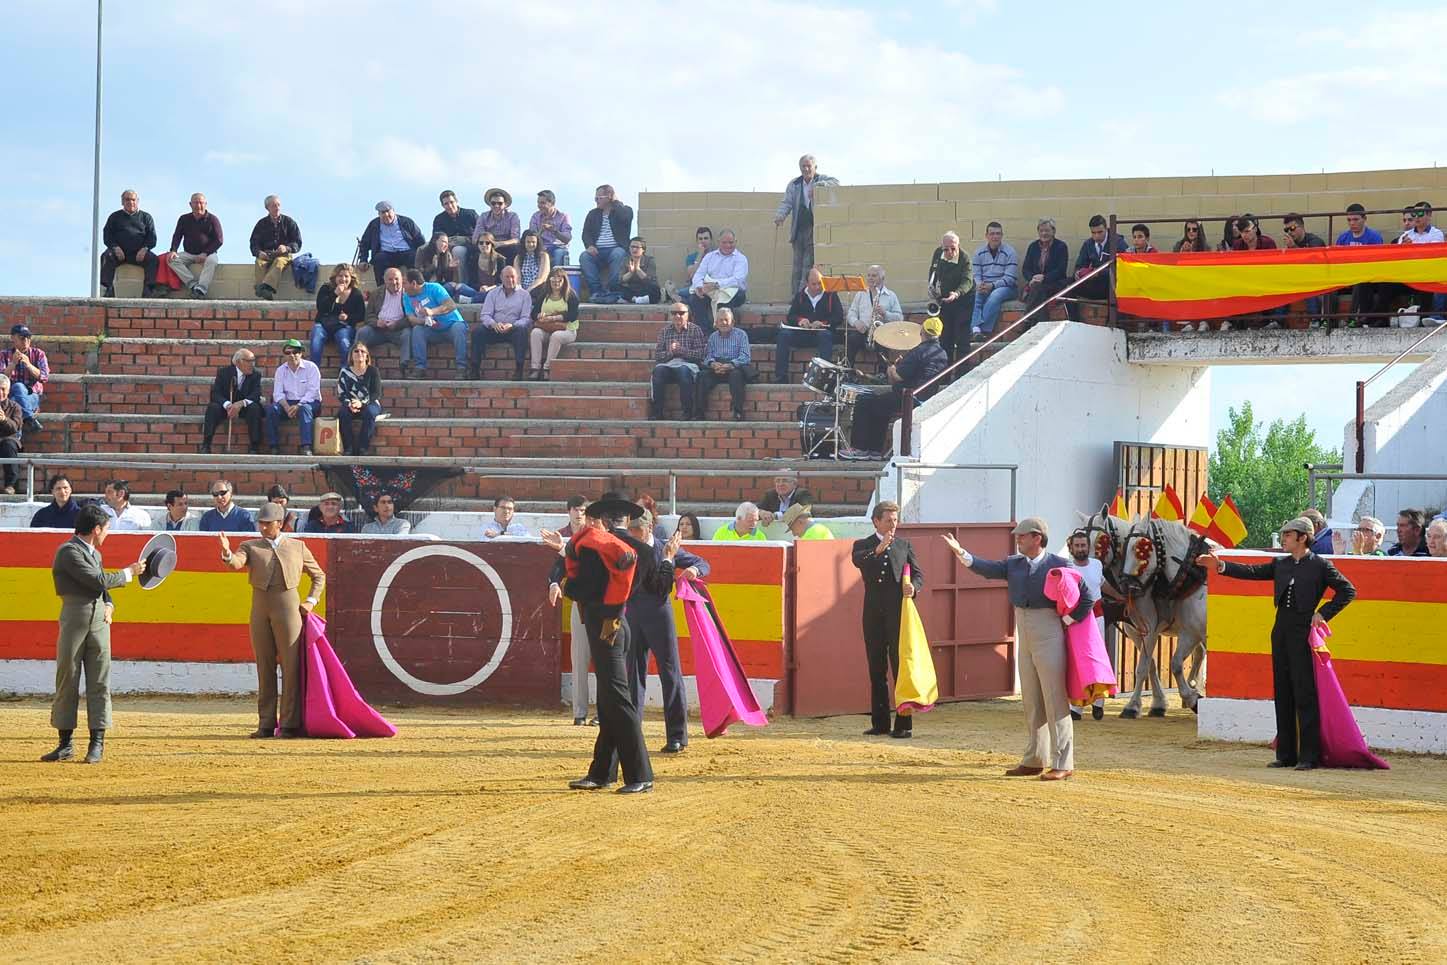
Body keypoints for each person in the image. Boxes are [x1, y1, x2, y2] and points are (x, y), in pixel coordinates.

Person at [1197, 517, 1355, 770]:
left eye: (1288, 535)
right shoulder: (1281, 564)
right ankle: (1286, 754)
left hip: (1304, 632)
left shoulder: (1321, 566)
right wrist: (1221, 566)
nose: (1283, 539)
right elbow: (1252, 572)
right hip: (1280, 630)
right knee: (1283, 691)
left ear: (1303, 537)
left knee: (1304, 694)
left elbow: (1348, 590)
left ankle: (1309, 756)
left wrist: (1324, 613)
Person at [944, 517, 1093, 780]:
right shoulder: (1014, 564)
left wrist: (1067, 620)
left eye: (1022, 536)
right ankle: (1034, 759)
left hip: (1049, 631)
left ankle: (1063, 762)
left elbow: (1086, 598)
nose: (1017, 540)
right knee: (1033, 699)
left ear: (1037, 538)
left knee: (1054, 697)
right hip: (1023, 628)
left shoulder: (1059, 565)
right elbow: (987, 568)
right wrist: (961, 553)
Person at [558, 494, 653, 793]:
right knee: (610, 700)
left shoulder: (593, 549)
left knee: (618, 699)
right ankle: (602, 772)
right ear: (627, 519)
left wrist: (566, 584)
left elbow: (585, 587)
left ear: (600, 520)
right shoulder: (644, 551)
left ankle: (640, 775)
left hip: (604, 624)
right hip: (620, 623)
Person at [39, 504, 147, 764]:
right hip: (75, 619)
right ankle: (65, 745)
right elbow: (96, 582)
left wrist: (109, 604)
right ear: (96, 529)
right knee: (69, 678)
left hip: (98, 619)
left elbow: (101, 589)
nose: (108, 533)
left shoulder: (93, 554)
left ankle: (96, 744)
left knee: (99, 680)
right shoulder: (68, 552)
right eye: (107, 528)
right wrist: (128, 572)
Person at [218, 502, 325, 738]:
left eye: (268, 523)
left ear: (280, 523)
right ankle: (265, 724)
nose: (263, 528)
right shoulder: (250, 546)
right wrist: (227, 553)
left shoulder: (297, 547)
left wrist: (310, 601)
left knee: (291, 667)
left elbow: (319, 576)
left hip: (289, 608)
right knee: (264, 667)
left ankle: (289, 724)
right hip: (260, 609)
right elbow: (237, 562)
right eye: (261, 523)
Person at [625, 510, 708, 754]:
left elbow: (702, 562)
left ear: (649, 528)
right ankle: (632, 734)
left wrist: (694, 571)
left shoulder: (664, 547)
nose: (632, 535)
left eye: (636, 531)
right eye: (630, 530)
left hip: (659, 617)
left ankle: (677, 736)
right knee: (633, 675)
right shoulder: (628, 547)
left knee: (670, 673)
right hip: (632, 616)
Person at [851, 501, 922, 738]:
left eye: (895, 519)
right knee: (876, 668)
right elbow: (859, 561)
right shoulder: (863, 545)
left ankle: (904, 724)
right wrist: (878, 549)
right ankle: (880, 723)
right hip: (873, 615)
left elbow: (918, 574)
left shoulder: (904, 545)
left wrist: (914, 587)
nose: (893, 524)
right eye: (889, 520)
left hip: (897, 613)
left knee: (901, 666)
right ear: (876, 521)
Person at [840, 315, 948, 460]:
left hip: (908, 397)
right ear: (938, 334)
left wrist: (891, 369)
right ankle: (875, 451)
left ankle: (860, 449)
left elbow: (897, 377)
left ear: (922, 332)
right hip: (926, 398)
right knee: (880, 406)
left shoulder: (918, 351)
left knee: (864, 401)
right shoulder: (942, 353)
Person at [545, 496, 594, 725]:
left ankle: (602, 713)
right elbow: (558, 567)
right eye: (576, 510)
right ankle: (580, 713)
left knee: (607, 660)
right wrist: (554, 583)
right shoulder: (565, 535)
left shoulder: (596, 537)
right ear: (569, 511)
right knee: (580, 657)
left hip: (602, 603)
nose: (580, 514)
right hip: (581, 603)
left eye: (583, 511)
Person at [774, 154, 838, 294]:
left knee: (807, 265)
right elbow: (787, 203)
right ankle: (795, 297)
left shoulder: (821, 179)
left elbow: (836, 182)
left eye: (809, 166)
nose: (806, 169)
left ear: (815, 167)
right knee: (797, 267)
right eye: (803, 166)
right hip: (798, 230)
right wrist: (780, 216)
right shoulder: (795, 184)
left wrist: (818, 186)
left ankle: (802, 295)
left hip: (813, 230)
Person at [1066, 529, 1109, 721]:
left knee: (1098, 659)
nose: (1081, 548)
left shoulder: (1097, 564)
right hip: (1076, 619)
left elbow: (1102, 584)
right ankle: (1076, 707)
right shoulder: (1066, 567)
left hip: (1097, 617)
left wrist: (1124, 598)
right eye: (1077, 545)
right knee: (1077, 661)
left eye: (1084, 545)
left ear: (1088, 547)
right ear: (1071, 547)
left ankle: (1099, 703)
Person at [778, 268, 843, 382]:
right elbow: (791, 316)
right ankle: (781, 376)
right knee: (783, 335)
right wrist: (800, 320)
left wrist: (823, 323)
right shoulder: (800, 296)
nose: (817, 287)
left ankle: (823, 378)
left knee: (826, 336)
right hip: (802, 333)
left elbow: (838, 317)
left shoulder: (831, 295)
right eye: (814, 284)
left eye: (820, 283)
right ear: (807, 283)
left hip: (821, 334)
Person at [403, 268, 468, 380]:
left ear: (413, 283)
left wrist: (432, 312)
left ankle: (462, 369)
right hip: (432, 330)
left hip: (451, 325)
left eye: (405, 283)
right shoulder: (406, 296)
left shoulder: (434, 288)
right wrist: (424, 321)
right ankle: (420, 368)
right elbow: (411, 318)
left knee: (458, 328)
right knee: (417, 330)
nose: (402, 286)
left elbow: (451, 305)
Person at [471, 265, 532, 381]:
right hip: (495, 329)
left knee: (522, 331)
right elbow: (485, 315)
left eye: (513, 277)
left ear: (517, 277)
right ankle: (474, 370)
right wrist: (493, 324)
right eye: (507, 277)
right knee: (477, 332)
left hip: (513, 330)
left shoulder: (525, 295)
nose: (510, 280)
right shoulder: (493, 293)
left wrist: (512, 325)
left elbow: (525, 319)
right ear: (501, 278)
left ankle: (519, 370)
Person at [694, 307, 753, 422]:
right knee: (701, 376)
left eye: (727, 320)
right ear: (716, 323)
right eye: (720, 320)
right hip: (717, 368)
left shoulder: (741, 335)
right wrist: (713, 364)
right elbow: (707, 356)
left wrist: (730, 365)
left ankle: (738, 412)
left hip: (734, 367)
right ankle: (699, 413)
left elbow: (745, 356)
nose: (724, 323)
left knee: (736, 376)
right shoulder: (713, 337)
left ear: (733, 322)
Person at [200, 348, 263, 454]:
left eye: (253, 361)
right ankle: (206, 444)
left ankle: (254, 446)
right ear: (239, 362)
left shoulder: (256, 374)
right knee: (213, 407)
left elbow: (256, 394)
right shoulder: (224, 373)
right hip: (226, 407)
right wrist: (228, 404)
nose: (253, 364)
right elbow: (215, 393)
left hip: (244, 407)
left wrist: (241, 403)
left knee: (255, 409)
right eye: (249, 361)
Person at [650, 302, 706, 420]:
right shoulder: (665, 331)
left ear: (688, 315)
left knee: (683, 371)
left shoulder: (695, 330)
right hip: (669, 364)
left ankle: (687, 411)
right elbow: (658, 356)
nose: (677, 316)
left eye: (681, 313)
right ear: (670, 315)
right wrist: (670, 352)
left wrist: (682, 351)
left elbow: (701, 355)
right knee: (658, 371)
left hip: (688, 365)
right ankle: (657, 412)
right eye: (674, 313)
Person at [266, 339, 323, 455]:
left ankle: (306, 446)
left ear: (301, 353)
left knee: (305, 409)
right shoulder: (280, 370)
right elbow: (277, 393)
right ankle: (273, 446)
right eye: (288, 353)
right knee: (272, 409)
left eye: (295, 352)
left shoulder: (311, 367)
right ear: (284, 355)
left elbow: (313, 391)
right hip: (288, 403)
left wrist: (299, 405)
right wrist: (287, 407)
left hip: (310, 402)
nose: (292, 355)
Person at [100, 189, 160, 297]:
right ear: (122, 202)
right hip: (119, 253)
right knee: (106, 256)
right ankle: (107, 289)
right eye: (127, 200)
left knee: (153, 259)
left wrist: (144, 249)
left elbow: (152, 237)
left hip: (139, 254)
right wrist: (115, 247)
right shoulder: (114, 217)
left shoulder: (146, 217)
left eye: (133, 200)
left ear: (137, 201)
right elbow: (107, 236)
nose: (130, 202)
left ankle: (148, 290)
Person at [688, 229, 749, 333]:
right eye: (724, 242)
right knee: (695, 299)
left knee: (724, 301)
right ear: (719, 242)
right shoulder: (709, 256)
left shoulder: (741, 259)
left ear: (736, 242)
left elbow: (737, 279)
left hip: (734, 292)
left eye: (731, 242)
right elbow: (698, 274)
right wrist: (699, 287)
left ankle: (725, 333)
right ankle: (705, 333)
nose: (728, 245)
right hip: (711, 291)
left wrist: (716, 285)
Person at [1335, 203, 1387, 326]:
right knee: (1328, 285)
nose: (1352, 223)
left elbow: (1377, 262)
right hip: (1346, 275)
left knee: (1361, 281)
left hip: (1366, 277)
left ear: (1364, 219)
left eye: (1355, 219)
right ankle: (1327, 321)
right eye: (1349, 220)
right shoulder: (1343, 238)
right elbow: (1338, 260)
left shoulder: (1374, 237)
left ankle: (1353, 318)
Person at [580, 185, 634, 303]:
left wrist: (616, 202)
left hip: (616, 248)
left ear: (609, 196)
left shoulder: (624, 210)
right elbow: (586, 234)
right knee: (584, 256)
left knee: (618, 253)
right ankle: (596, 292)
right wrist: (590, 246)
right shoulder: (592, 214)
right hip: (597, 250)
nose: (596, 201)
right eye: (595, 198)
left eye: (599, 198)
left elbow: (626, 218)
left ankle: (614, 291)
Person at [926, 231, 973, 364]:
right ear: (942, 247)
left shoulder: (965, 258)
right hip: (945, 299)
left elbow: (967, 281)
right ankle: (945, 375)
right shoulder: (937, 253)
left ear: (958, 245)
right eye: (946, 249)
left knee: (962, 338)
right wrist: (932, 286)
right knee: (945, 338)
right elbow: (933, 271)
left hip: (963, 299)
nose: (950, 252)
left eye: (953, 248)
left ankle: (962, 375)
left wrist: (957, 293)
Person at [845, 264, 904, 367]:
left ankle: (881, 374)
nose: (870, 278)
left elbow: (900, 317)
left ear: (882, 278)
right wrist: (856, 322)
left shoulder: (891, 295)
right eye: (868, 275)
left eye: (874, 276)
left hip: (882, 332)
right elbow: (851, 313)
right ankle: (849, 371)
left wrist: (885, 314)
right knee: (851, 339)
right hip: (864, 331)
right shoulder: (860, 294)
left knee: (882, 344)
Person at [359, 267, 414, 376]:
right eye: (390, 279)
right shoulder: (376, 293)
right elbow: (368, 316)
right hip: (378, 330)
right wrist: (377, 323)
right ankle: (358, 365)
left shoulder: (408, 294)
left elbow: (411, 318)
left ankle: (405, 366)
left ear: (402, 279)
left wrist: (396, 324)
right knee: (363, 332)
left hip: (398, 330)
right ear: (384, 280)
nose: (394, 282)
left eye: (397, 279)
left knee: (407, 334)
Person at [528, 267, 580, 381]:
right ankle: (535, 368)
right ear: (549, 281)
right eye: (553, 280)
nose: (556, 283)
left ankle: (547, 368)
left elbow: (573, 315)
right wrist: (539, 316)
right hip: (546, 328)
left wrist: (553, 318)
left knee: (556, 336)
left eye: (559, 280)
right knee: (535, 333)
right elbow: (533, 313)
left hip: (567, 330)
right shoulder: (544, 294)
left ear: (564, 281)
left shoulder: (571, 295)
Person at [168, 192, 223, 298]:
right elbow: (177, 236)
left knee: (213, 261)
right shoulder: (184, 219)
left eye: (201, 203)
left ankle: (201, 289)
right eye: (196, 203)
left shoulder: (213, 219)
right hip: (189, 253)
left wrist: (205, 253)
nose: (199, 205)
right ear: (190, 204)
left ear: (205, 204)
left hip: (208, 254)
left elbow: (219, 240)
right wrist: (173, 250)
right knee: (171, 259)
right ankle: (193, 285)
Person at [249, 195, 302, 300]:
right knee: (260, 263)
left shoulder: (289, 222)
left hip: (284, 255)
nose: (277, 208)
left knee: (278, 262)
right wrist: (259, 253)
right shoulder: (261, 224)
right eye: (274, 206)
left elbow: (297, 242)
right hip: (267, 254)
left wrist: (286, 248)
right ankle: (264, 292)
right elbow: (253, 243)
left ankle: (264, 288)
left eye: (278, 205)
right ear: (267, 208)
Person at [970, 223, 1020, 336]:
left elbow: (1010, 278)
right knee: (975, 296)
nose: (995, 237)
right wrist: (979, 285)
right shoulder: (979, 253)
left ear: (1002, 235)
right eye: (992, 234)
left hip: (1007, 288)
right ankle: (975, 330)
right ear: (986, 236)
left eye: (998, 234)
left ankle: (982, 330)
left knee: (995, 295)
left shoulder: (1010, 252)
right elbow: (976, 275)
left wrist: (992, 285)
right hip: (985, 286)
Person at [359, 201, 424, 287]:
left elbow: (419, 239)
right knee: (379, 259)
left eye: (388, 211)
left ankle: (419, 287)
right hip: (386, 253)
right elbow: (364, 243)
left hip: (406, 252)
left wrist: (424, 256)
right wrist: (363, 259)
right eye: (382, 213)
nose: (386, 215)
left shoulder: (406, 222)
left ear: (393, 211)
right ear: (378, 214)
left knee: (415, 258)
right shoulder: (374, 225)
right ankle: (382, 290)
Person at [311, 263, 364, 367]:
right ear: (335, 277)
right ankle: (314, 370)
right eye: (340, 276)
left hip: (343, 326)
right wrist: (335, 294)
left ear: (351, 278)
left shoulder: (356, 293)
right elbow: (321, 308)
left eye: (346, 276)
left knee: (345, 342)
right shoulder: (326, 288)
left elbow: (361, 315)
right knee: (316, 339)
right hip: (324, 325)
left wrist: (348, 317)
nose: (343, 279)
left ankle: (345, 371)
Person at [1073, 214, 1128, 310]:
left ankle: (1113, 322)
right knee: (1068, 287)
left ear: (1106, 229)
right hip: (1094, 282)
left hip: (1111, 284)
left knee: (1118, 290)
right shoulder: (1088, 244)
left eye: (1100, 232)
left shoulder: (1118, 243)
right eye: (1093, 233)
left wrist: (1099, 273)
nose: (1096, 236)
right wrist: (1078, 273)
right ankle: (1075, 321)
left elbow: (1123, 268)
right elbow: (1079, 264)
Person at [338, 342, 383, 457]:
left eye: (363, 351)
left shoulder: (373, 371)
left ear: (367, 356)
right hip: (351, 404)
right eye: (356, 351)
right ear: (351, 355)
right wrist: (350, 404)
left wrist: (361, 403)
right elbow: (341, 393)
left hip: (370, 403)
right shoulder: (345, 372)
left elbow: (376, 393)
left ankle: (363, 447)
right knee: (343, 413)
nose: (359, 353)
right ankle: (348, 448)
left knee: (369, 413)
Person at [2, 324, 49, 433]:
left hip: (32, 396)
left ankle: (15, 442)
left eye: (28, 338)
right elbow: (2, 379)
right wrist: (13, 363)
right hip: (12, 397)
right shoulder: (4, 355)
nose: (26, 341)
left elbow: (44, 377)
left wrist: (28, 365)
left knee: (14, 406)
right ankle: (29, 418)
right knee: (15, 402)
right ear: (13, 338)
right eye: (22, 338)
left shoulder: (39, 354)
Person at [1021, 218, 1069, 320]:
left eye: (1047, 230)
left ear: (1053, 231)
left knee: (1038, 290)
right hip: (1036, 284)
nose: (1044, 233)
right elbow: (1025, 269)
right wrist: (1032, 279)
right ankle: (1041, 324)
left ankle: (1027, 317)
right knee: (1039, 292)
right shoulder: (1033, 247)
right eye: (1041, 230)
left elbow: (1061, 270)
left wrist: (1044, 277)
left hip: (1054, 284)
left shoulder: (1061, 246)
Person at [432, 189, 478, 283]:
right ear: (442, 205)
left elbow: (481, 233)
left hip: (470, 245)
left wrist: (465, 239)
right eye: (446, 204)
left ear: (456, 201)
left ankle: (463, 284)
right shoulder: (439, 219)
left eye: (452, 202)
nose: (449, 206)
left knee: (458, 251)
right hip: (447, 246)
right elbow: (435, 238)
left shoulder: (470, 214)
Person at [669, 226, 712, 303]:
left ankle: (679, 297)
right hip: (694, 287)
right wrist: (700, 255)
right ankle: (675, 295)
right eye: (700, 239)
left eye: (706, 238)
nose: (703, 241)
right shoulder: (691, 257)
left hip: (710, 287)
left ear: (710, 240)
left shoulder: (716, 256)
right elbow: (692, 276)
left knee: (680, 294)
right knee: (688, 293)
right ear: (697, 241)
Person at [478, 188, 522, 264]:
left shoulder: (513, 216)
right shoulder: (483, 216)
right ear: (490, 204)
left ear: (505, 205)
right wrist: (489, 244)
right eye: (493, 203)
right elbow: (477, 236)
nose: (496, 206)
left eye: (500, 203)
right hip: (488, 245)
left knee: (516, 249)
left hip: (506, 246)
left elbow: (516, 239)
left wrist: (500, 243)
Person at [530, 189, 573, 266]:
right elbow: (531, 237)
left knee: (558, 253)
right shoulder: (535, 217)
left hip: (558, 247)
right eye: (538, 203)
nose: (539, 206)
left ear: (552, 203)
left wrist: (554, 231)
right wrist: (541, 231)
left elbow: (567, 238)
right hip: (541, 247)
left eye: (543, 203)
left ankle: (555, 277)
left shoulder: (563, 217)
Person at [617, 237, 661, 304]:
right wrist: (631, 273)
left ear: (643, 249)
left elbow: (651, 281)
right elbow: (621, 280)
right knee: (615, 287)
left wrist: (638, 269)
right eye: (632, 247)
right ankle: (639, 300)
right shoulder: (625, 260)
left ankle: (633, 300)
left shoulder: (649, 260)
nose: (634, 249)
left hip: (644, 289)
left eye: (637, 247)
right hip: (631, 289)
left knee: (656, 290)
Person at [0, 375, 23, 494]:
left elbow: (16, 427)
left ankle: (11, 485)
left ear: (8, 391)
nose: (0, 392)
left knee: (9, 445)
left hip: (9, 440)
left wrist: (4, 419)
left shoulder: (15, 407)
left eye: (3, 389)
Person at [513, 229, 552, 294]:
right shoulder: (518, 258)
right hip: (522, 289)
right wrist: (520, 291)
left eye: (533, 242)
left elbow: (542, 278)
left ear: (537, 243)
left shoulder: (544, 256)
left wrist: (528, 290)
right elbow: (518, 278)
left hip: (538, 289)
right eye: (528, 242)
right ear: (524, 243)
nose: (531, 244)